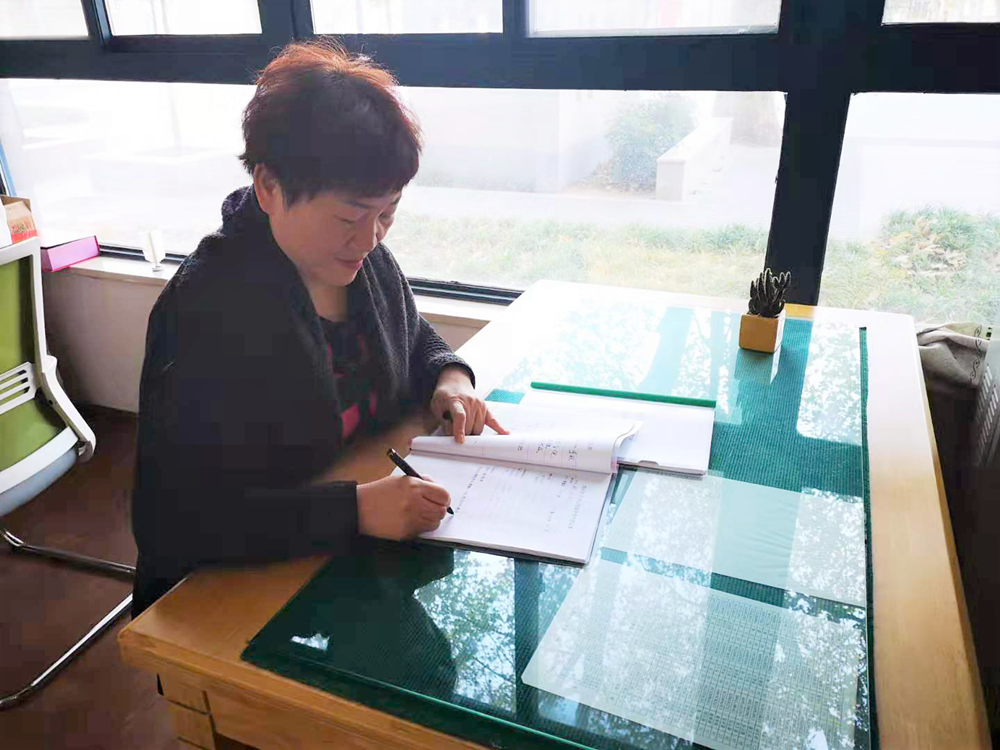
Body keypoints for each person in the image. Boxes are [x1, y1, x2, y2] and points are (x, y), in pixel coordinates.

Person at [130, 41, 505, 617]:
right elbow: (178, 519)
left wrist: (449, 378)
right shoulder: (208, 308)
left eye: (387, 213)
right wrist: (356, 509)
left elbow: (411, 334)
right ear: (269, 187)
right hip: (235, 593)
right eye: (350, 216)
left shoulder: (361, 260)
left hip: (351, 567)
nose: (371, 238)